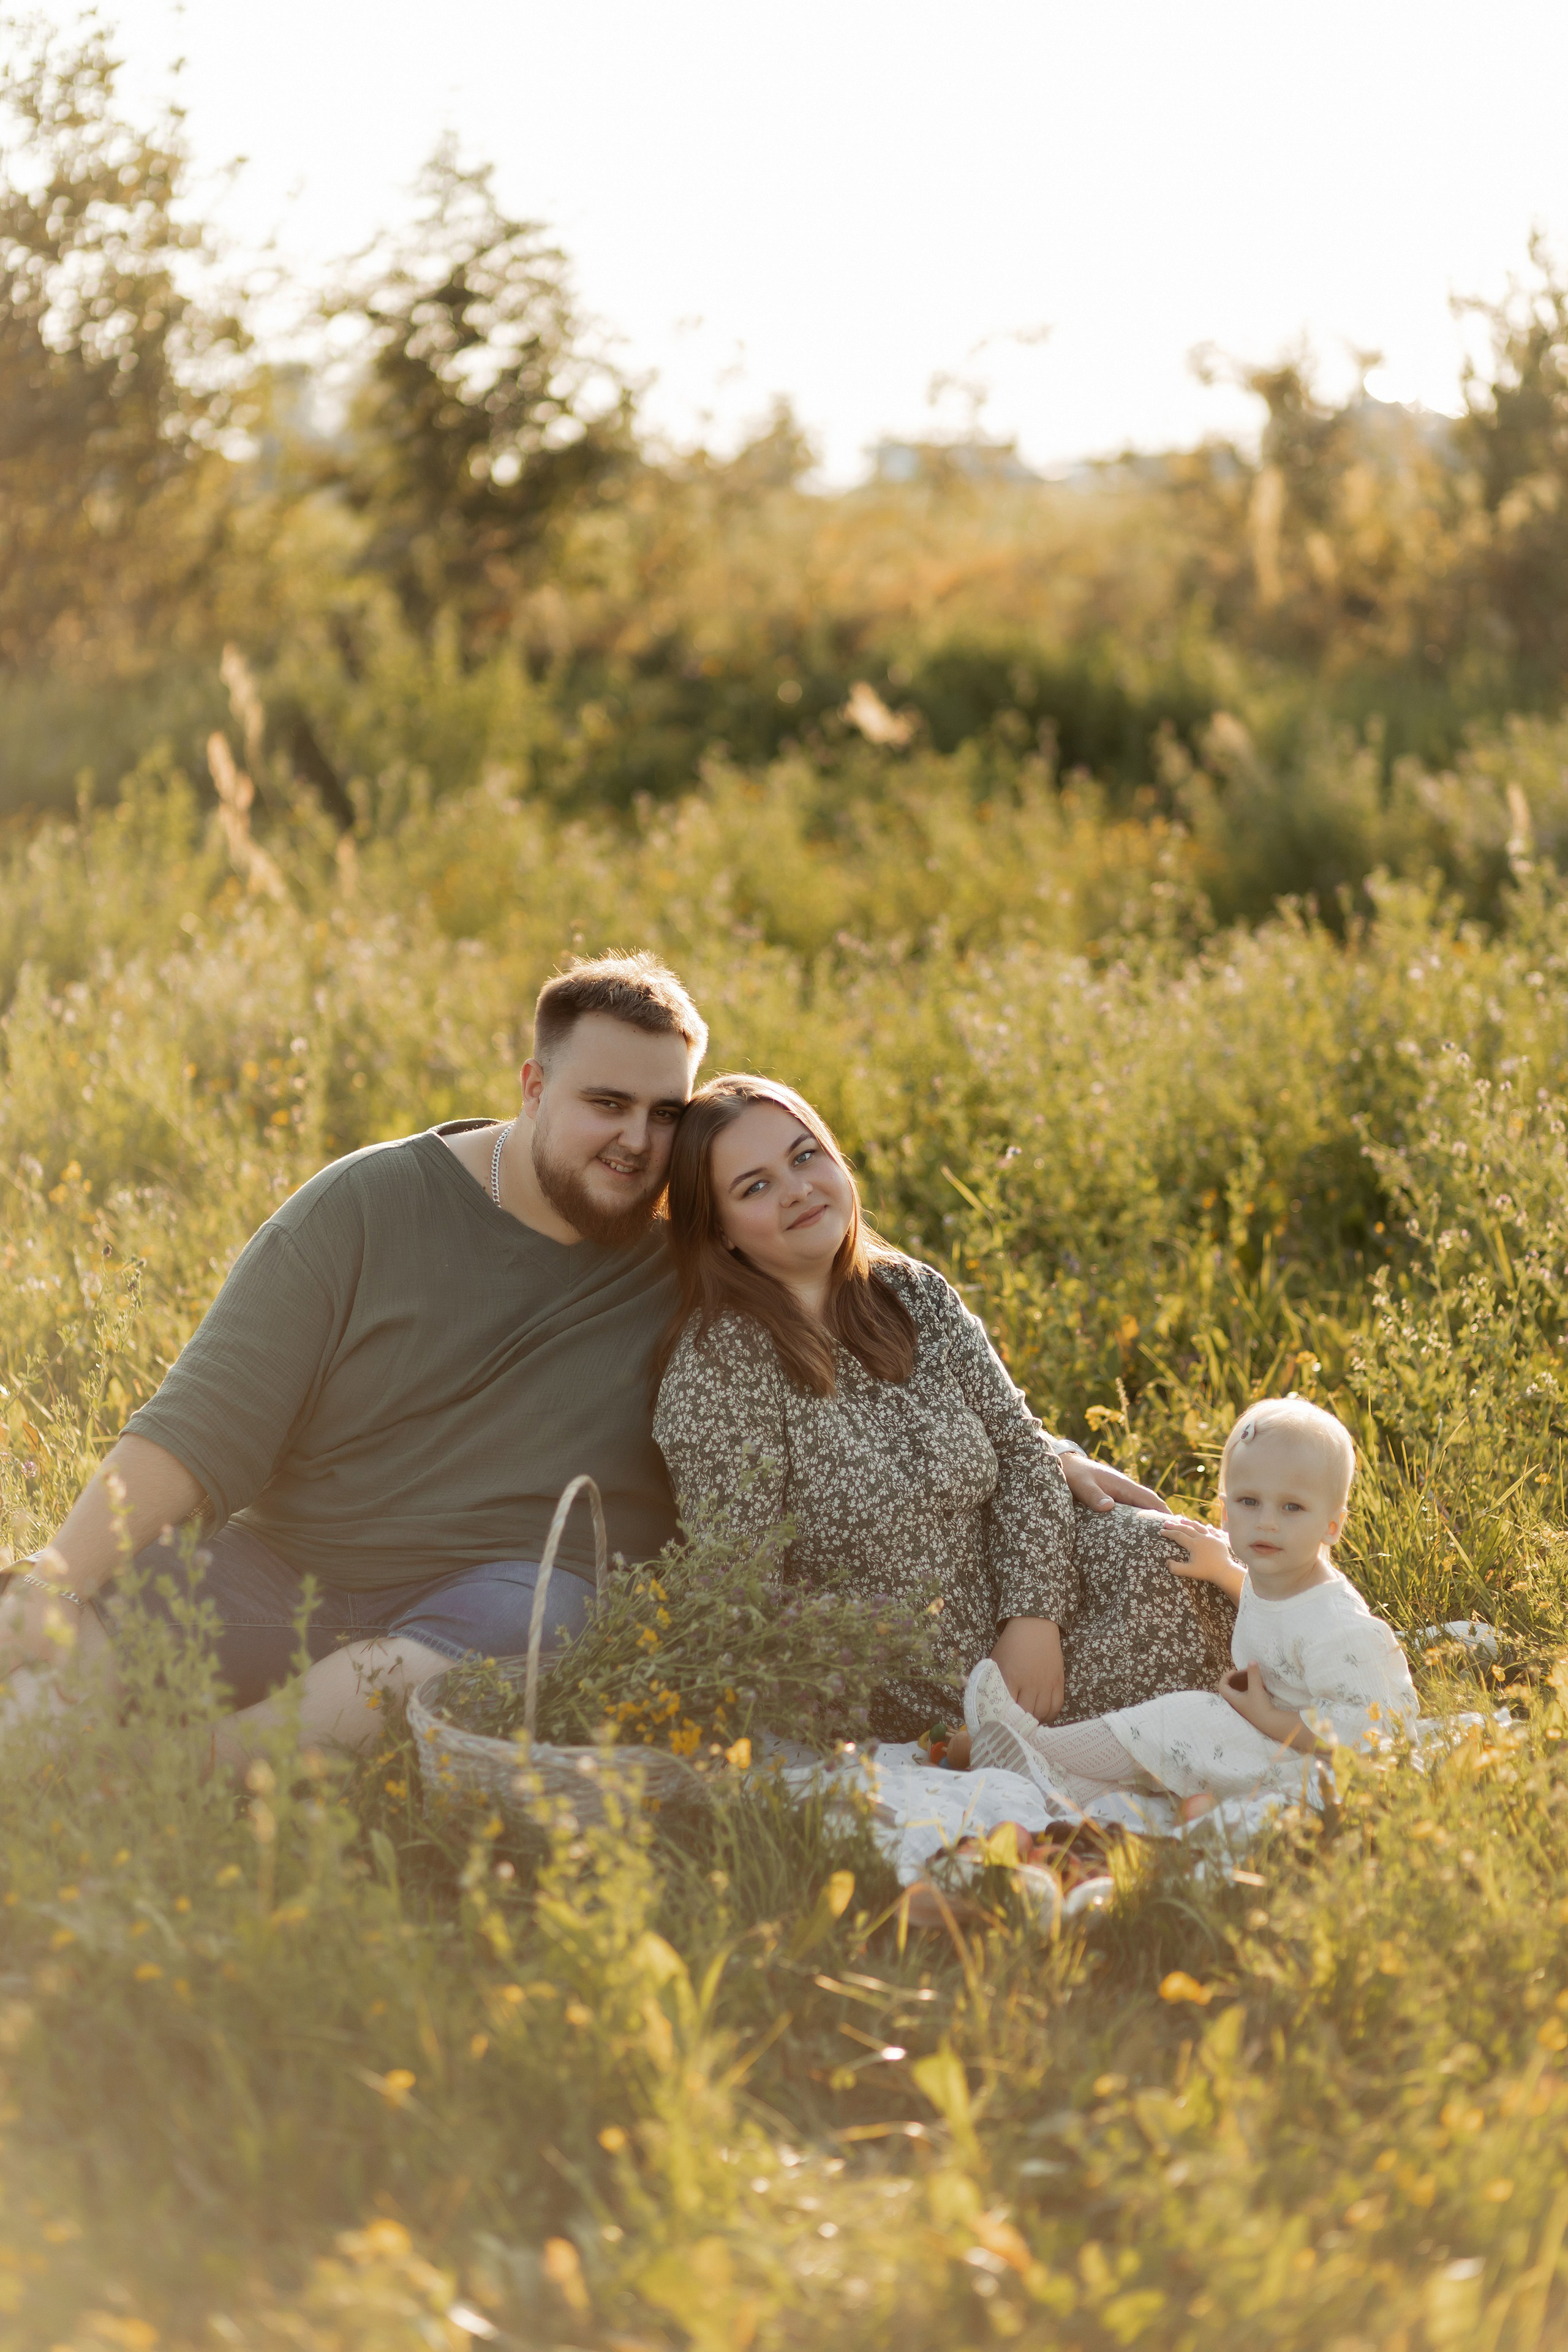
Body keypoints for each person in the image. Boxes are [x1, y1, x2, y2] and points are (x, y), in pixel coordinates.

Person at [0, 954, 707, 1770]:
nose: (638, 1141)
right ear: (534, 1088)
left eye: (667, 1115)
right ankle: (61, 1756)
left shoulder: (696, 1259)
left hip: (491, 1612)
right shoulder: (366, 1205)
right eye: (608, 1104)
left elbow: (833, 1253)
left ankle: (189, 1771)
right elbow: (205, 1420)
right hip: (282, 1578)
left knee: (551, 1620)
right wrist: (56, 1585)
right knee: (83, 1617)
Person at [650, 1074, 1238, 1744]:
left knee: (1176, 1561)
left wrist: (1034, 1617)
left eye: (804, 1155)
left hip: (1019, 1586)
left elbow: (1022, 1452)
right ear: (721, 1233)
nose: (796, 1190)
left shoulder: (910, 1292)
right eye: (754, 1187)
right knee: (1176, 1712)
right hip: (895, 1669)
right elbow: (741, 1587)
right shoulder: (719, 1369)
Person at [967, 1395, 1418, 1805]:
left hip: (1320, 1764)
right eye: (1248, 1502)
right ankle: (1057, 1779)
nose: (1266, 1523)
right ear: (1223, 1512)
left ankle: (1031, 1744)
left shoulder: (1340, 1626)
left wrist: (1266, 1717)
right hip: (1272, 1735)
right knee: (1179, 1729)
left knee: (1179, 1721)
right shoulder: (1279, 1580)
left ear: (1333, 1527)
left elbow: (1373, 1735)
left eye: (1291, 1508)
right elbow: (1276, 1617)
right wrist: (1223, 1570)